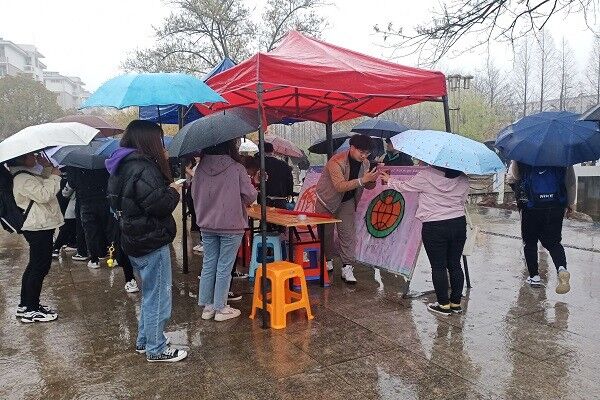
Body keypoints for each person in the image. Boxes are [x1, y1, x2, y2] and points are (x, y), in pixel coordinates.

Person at [106, 120, 186, 362]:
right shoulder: (144, 168)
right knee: (158, 295)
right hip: (151, 238)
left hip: (133, 237)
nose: (162, 144)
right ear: (149, 140)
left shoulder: (120, 165)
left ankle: (145, 340)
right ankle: (156, 348)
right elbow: (159, 206)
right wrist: (173, 191)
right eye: (159, 139)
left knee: (149, 293)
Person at [381, 165, 470, 316]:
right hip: (458, 223)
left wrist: (389, 180)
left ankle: (443, 305)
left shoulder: (426, 175)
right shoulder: (463, 178)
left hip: (434, 225)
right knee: (455, 264)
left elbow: (404, 187)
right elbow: (462, 200)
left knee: (438, 266)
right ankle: (456, 304)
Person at [192, 139, 258, 322]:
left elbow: (194, 194)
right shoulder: (237, 168)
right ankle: (221, 308)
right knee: (224, 267)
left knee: (209, 264)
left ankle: (208, 306)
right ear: (229, 146)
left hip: (206, 223)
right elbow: (250, 196)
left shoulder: (200, 168)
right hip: (231, 224)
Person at [314, 134, 379, 284]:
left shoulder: (366, 163)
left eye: (367, 153)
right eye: (361, 152)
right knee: (326, 234)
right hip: (326, 201)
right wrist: (363, 180)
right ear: (352, 148)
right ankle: (327, 260)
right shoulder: (336, 161)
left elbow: (367, 185)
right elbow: (339, 186)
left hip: (347, 201)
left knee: (348, 234)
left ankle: (347, 267)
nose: (364, 156)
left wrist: (372, 180)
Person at [8, 153, 63, 323]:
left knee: (34, 265)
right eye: (32, 155)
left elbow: (42, 183)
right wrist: (55, 176)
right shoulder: (22, 178)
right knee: (40, 267)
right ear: (22, 159)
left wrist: (47, 167)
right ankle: (32, 310)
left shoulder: (25, 174)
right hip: (38, 226)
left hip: (39, 224)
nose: (35, 157)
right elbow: (44, 194)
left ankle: (26, 304)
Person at [506, 161, 575, 294]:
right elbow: (570, 182)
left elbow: (513, 177)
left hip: (531, 206)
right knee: (554, 242)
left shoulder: (523, 153)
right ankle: (561, 268)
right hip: (555, 205)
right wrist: (570, 202)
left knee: (530, 241)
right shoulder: (563, 154)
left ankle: (534, 277)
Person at [66, 166, 110, 269]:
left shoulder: (75, 164)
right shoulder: (102, 162)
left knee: (90, 232)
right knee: (107, 228)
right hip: (104, 199)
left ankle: (94, 260)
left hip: (85, 201)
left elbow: (72, 183)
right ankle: (107, 253)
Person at [261, 142, 294, 210]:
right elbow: (289, 180)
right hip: (281, 198)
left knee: (265, 216)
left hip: (265, 198)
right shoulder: (283, 164)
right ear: (273, 150)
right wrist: (289, 193)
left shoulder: (260, 163)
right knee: (280, 216)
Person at [52, 182, 77, 257]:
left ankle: (56, 247)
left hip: (73, 204)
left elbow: (66, 192)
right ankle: (72, 242)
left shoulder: (73, 176)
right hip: (82, 203)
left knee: (66, 225)